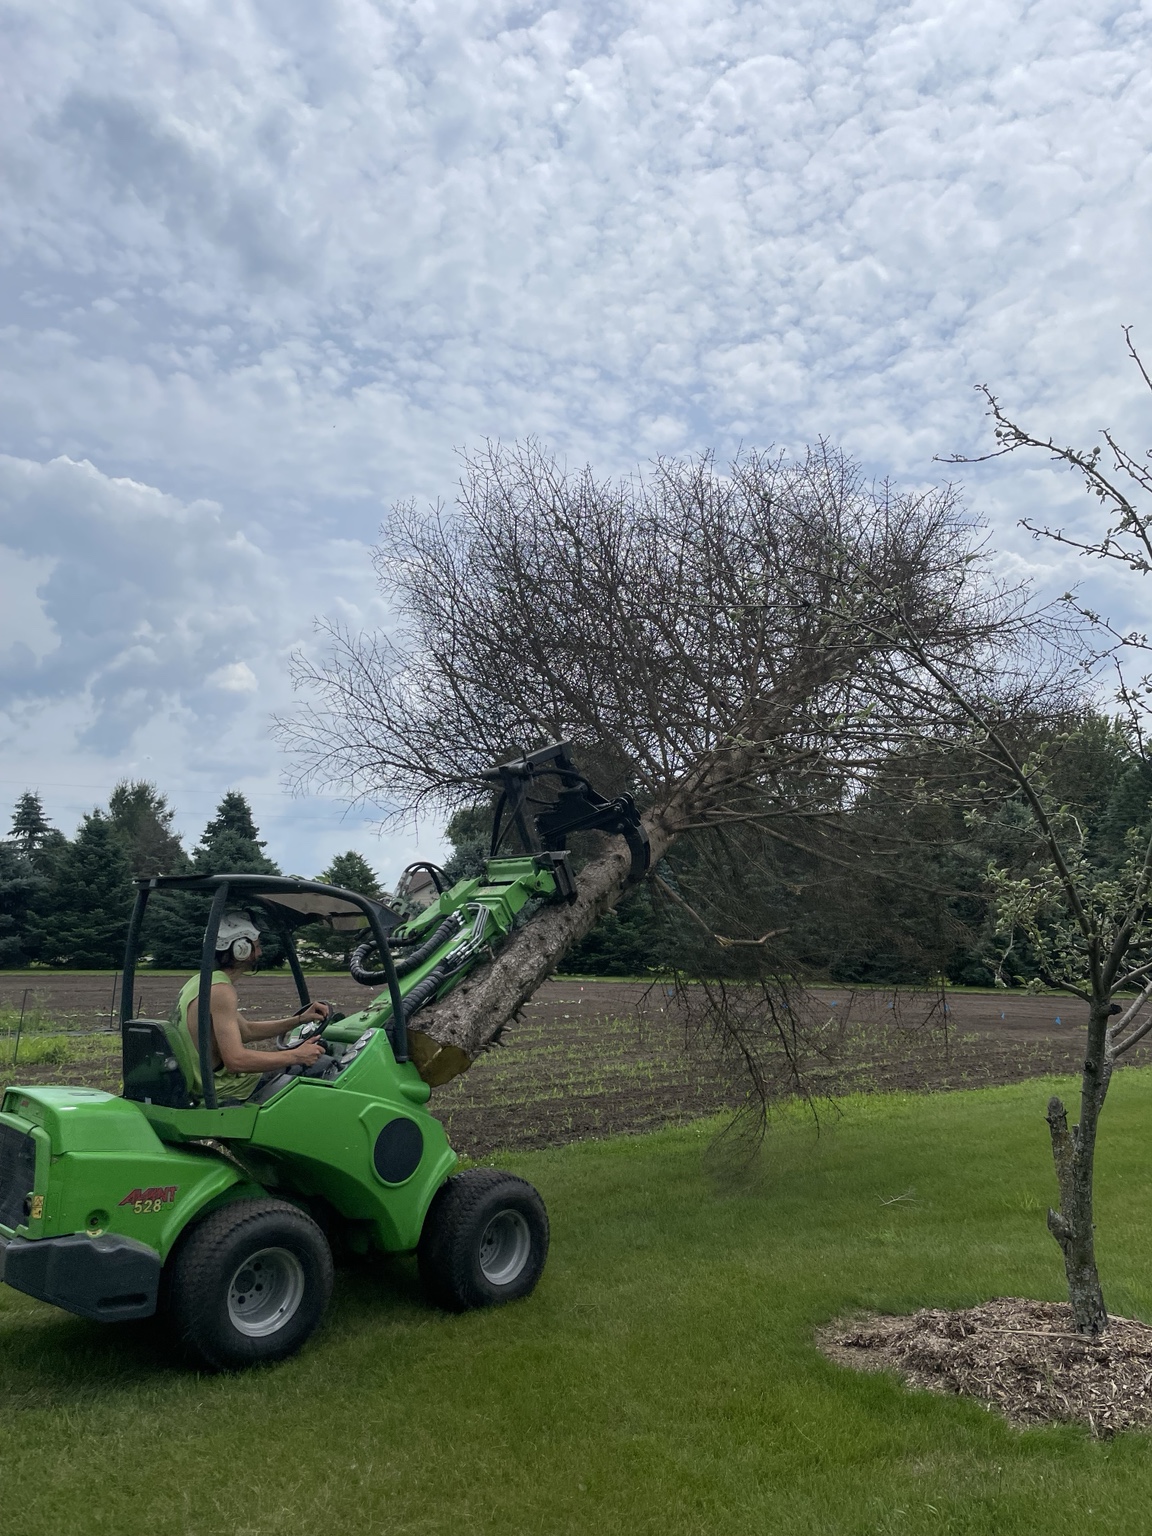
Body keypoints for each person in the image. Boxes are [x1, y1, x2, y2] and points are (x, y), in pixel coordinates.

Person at [174, 910, 328, 1102]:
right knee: (324, 1067)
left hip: (211, 1084)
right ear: (241, 948)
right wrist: (297, 1055)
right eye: (256, 945)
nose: (260, 952)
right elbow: (236, 1061)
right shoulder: (220, 991)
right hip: (224, 1089)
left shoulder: (202, 982)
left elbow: (246, 1031)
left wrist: (299, 1019)